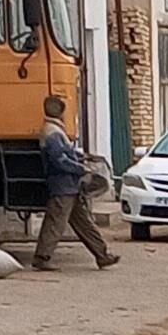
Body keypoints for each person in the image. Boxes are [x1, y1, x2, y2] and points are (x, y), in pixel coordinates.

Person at [33, 96, 119, 272]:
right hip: (63, 185)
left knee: (84, 223)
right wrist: (81, 169)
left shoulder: (53, 130)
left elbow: (64, 156)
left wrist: (80, 158)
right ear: (62, 112)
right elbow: (60, 161)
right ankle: (42, 257)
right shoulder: (53, 133)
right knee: (56, 222)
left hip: (69, 186)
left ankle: (102, 255)